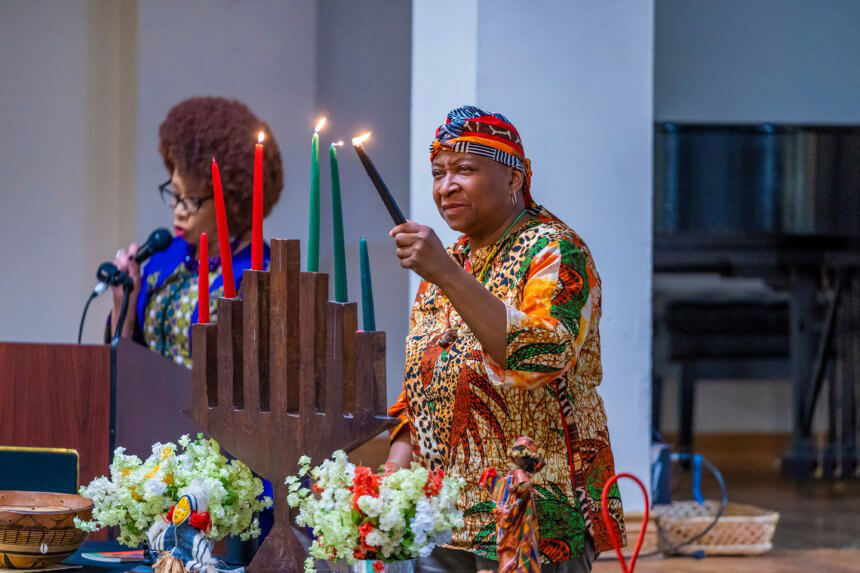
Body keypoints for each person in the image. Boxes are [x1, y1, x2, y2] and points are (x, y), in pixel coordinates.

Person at [385, 106, 624, 572]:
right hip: (447, 506)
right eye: (438, 172)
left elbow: (539, 358)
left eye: (465, 170)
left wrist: (447, 275)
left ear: (514, 179)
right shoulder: (449, 258)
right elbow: (424, 372)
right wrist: (397, 464)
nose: (446, 186)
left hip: (537, 500)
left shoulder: (555, 250)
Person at [110, 97, 284, 368]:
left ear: (231, 200)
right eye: (175, 193)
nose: (178, 211)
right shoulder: (169, 255)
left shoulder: (262, 273)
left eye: (191, 200)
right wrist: (125, 307)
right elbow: (127, 365)